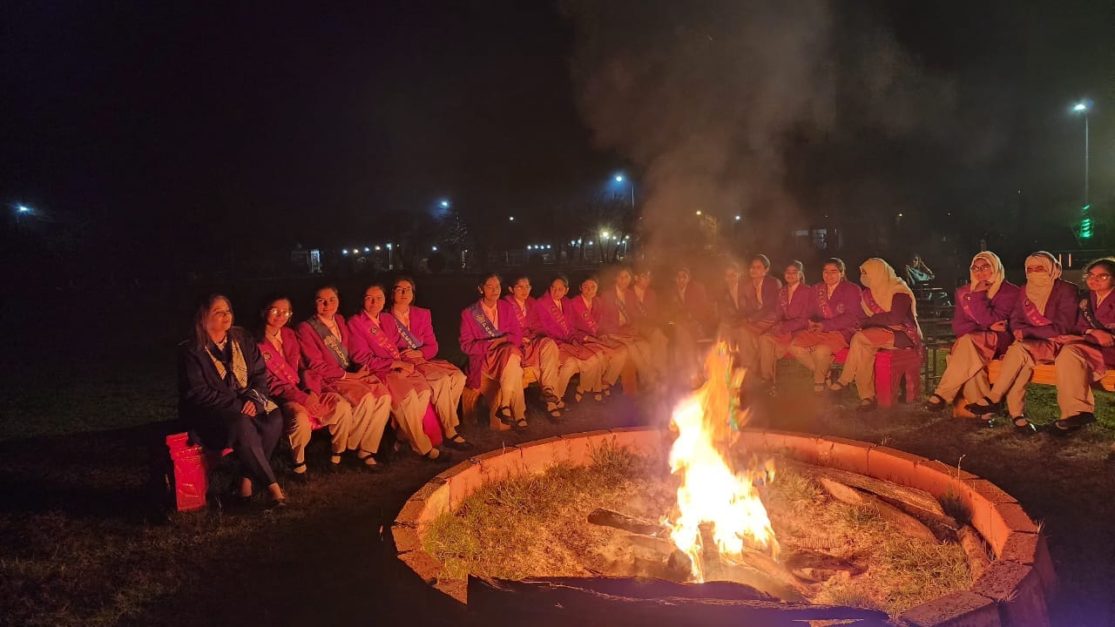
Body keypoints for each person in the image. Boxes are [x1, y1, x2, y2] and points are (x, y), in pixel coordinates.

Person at [178, 294, 286, 507]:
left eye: (227, 310)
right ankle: (273, 489)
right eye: (218, 312)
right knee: (242, 423)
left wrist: (253, 401)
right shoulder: (192, 350)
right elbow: (199, 392)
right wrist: (239, 405)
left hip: (246, 402)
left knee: (274, 417)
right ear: (203, 317)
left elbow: (259, 375)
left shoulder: (241, 338)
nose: (225, 316)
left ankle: (245, 481)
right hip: (211, 412)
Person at [965, 251, 1079, 433]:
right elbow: (1016, 319)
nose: (1035, 273)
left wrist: (1026, 331)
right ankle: (1017, 417)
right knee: (1020, 360)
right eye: (1030, 269)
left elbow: (1062, 328)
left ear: (1052, 268)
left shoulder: (1066, 290)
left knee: (1018, 352)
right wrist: (1022, 330)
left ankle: (995, 399)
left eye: (1040, 268)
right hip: (1030, 345)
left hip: (1058, 345)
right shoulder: (1025, 290)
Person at [258, 295, 363, 479]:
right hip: (281, 395)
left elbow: (304, 368)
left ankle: (336, 456)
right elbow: (269, 382)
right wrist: (302, 398)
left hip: (304, 389)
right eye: (275, 310)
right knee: (299, 417)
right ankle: (298, 464)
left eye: (286, 312)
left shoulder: (289, 335)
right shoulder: (255, 342)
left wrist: (310, 391)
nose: (280, 315)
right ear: (265, 311)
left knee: (341, 406)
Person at [349, 284, 459, 459]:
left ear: (385, 300)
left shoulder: (386, 319)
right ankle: (425, 449)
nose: (374, 302)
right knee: (408, 398)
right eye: (369, 298)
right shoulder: (356, 322)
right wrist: (395, 364)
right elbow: (362, 358)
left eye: (379, 298)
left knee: (423, 391)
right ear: (362, 300)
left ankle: (400, 438)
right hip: (378, 371)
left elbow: (399, 345)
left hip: (398, 366)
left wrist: (407, 361)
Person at [295, 286, 394, 468]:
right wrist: (350, 375)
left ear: (338, 300)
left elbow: (350, 352)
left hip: (350, 373)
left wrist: (360, 369)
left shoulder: (340, 320)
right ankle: (349, 449)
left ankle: (365, 448)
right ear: (313, 303)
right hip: (329, 378)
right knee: (366, 399)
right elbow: (315, 365)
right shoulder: (306, 327)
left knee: (384, 396)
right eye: (321, 301)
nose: (327, 305)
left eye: (332, 299)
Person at [924, 252, 1020, 413]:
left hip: (1001, 342)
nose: (979, 271)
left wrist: (978, 295)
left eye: (985, 266)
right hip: (974, 342)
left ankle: (941, 393)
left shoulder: (1010, 292)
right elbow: (958, 327)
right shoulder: (963, 292)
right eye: (975, 268)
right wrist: (987, 326)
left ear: (996, 267)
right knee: (970, 352)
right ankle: (985, 413)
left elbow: (996, 320)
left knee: (966, 346)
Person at [382, 276, 470, 449]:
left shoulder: (422, 314)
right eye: (399, 289)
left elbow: (433, 346)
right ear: (392, 293)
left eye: (408, 289)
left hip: (422, 360)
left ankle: (441, 419)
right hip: (404, 365)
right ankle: (450, 430)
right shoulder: (384, 317)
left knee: (458, 377)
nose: (404, 293)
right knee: (441, 381)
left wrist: (419, 352)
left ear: (413, 293)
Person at [830, 258, 922, 411]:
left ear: (878, 273)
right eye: (862, 273)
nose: (863, 277)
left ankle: (845, 380)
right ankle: (867, 397)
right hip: (878, 333)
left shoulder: (898, 290)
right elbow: (864, 318)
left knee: (860, 339)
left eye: (866, 273)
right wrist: (873, 322)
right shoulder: (868, 294)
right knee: (863, 350)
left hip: (903, 334)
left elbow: (895, 318)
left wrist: (872, 321)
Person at [459, 273, 529, 429]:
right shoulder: (469, 313)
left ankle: (505, 407)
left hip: (505, 358)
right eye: (489, 286)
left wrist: (502, 340)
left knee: (511, 354)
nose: (495, 290)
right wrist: (490, 344)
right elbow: (466, 345)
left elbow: (517, 335)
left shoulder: (506, 307)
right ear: (480, 289)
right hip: (484, 361)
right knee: (513, 360)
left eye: (497, 286)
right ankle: (518, 414)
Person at [1054, 258, 1115, 433]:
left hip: (1110, 349)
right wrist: (1092, 333)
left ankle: (1075, 413)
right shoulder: (1086, 300)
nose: (1094, 279)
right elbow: (1080, 326)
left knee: (1069, 351)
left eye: (1102, 276)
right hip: (1095, 348)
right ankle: (1076, 413)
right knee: (1068, 353)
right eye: (1091, 275)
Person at [789, 258, 864, 392]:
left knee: (821, 350)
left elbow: (852, 317)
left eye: (833, 271)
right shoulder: (816, 288)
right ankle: (826, 373)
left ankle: (819, 386)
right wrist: (811, 321)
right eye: (825, 271)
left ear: (841, 273)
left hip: (843, 330)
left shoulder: (852, 289)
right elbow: (808, 311)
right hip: (819, 329)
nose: (828, 275)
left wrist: (825, 325)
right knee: (794, 347)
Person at [503, 274, 570, 419]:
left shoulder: (531, 303)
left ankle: (547, 390)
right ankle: (551, 403)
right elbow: (504, 329)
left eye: (527, 286)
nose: (524, 290)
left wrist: (537, 335)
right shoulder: (505, 305)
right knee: (547, 363)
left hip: (532, 343)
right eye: (520, 286)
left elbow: (539, 326)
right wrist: (521, 338)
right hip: (516, 346)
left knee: (549, 343)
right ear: (510, 289)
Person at [532, 275, 605, 402]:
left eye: (560, 289)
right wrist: (564, 342)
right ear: (549, 288)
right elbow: (540, 329)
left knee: (594, 360)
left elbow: (570, 327)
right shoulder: (541, 303)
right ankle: (555, 398)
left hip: (568, 343)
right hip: (553, 345)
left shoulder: (566, 302)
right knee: (570, 365)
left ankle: (574, 391)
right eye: (553, 288)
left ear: (566, 290)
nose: (556, 292)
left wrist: (574, 341)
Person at [570, 275, 631, 396]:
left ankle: (606, 381)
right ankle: (587, 388)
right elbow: (570, 328)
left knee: (622, 351)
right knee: (600, 354)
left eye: (593, 287)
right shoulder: (574, 303)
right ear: (580, 288)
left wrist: (603, 334)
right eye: (586, 287)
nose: (589, 290)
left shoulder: (597, 301)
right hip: (581, 340)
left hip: (597, 338)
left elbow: (602, 322)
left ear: (597, 289)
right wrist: (587, 338)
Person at [718, 255, 781, 370]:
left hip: (773, 318)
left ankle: (754, 368)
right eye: (752, 267)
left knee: (745, 329)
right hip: (757, 319)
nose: (753, 270)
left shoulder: (773, 283)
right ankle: (748, 367)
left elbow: (770, 307)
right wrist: (739, 320)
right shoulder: (748, 286)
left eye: (758, 267)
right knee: (739, 330)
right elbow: (747, 309)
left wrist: (749, 319)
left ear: (766, 270)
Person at [757, 261, 813, 387]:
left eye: (794, 272)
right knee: (764, 338)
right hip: (785, 329)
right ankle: (767, 378)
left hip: (802, 329)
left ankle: (822, 373)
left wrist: (784, 327)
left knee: (790, 346)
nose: (791, 275)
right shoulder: (782, 291)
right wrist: (775, 326)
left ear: (800, 274)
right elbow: (778, 314)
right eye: (788, 272)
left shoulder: (807, 291)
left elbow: (805, 318)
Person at [664, 266, 714, 383]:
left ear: (689, 278)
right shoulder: (671, 292)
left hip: (698, 324)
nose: (681, 280)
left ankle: (692, 372)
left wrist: (690, 318)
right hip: (677, 325)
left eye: (684, 277)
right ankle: (690, 372)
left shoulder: (697, 289)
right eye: (679, 277)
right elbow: (669, 312)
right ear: (675, 279)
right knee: (680, 330)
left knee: (684, 333)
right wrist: (676, 319)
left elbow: (703, 310)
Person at [630, 267, 670, 382]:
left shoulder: (651, 293)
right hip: (634, 326)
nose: (647, 280)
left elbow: (654, 314)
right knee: (659, 337)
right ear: (636, 277)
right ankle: (660, 371)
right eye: (644, 277)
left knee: (661, 338)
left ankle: (653, 376)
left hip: (648, 326)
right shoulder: (629, 293)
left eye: (649, 277)